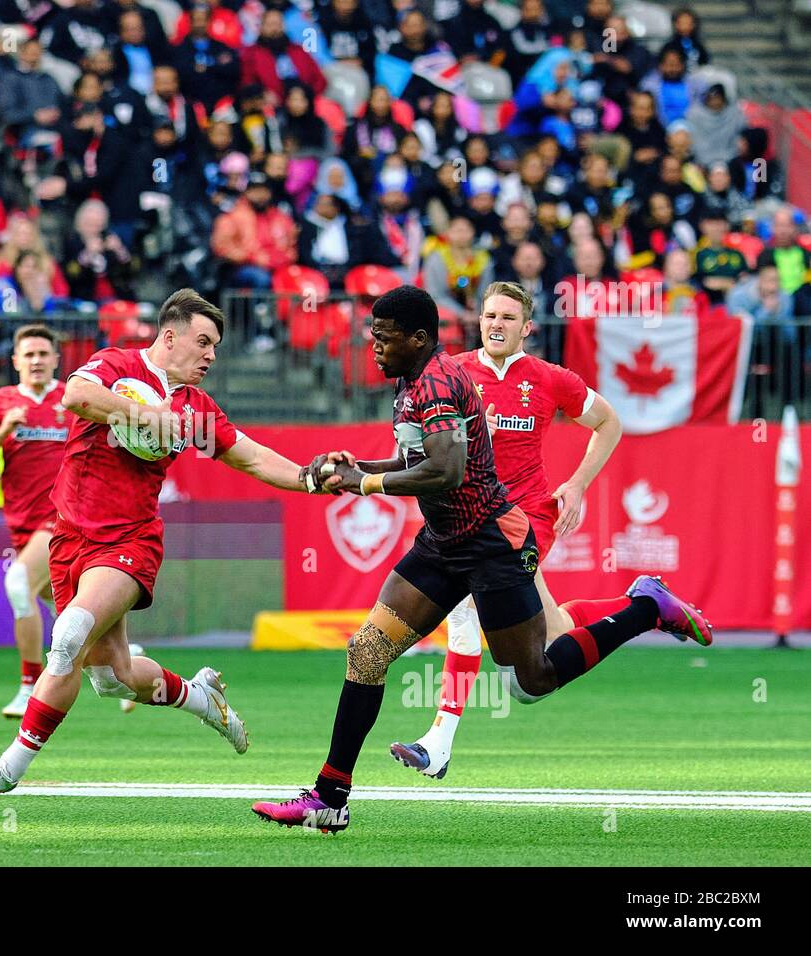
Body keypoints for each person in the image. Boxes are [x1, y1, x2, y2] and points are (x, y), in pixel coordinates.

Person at [251, 285, 713, 832]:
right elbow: (415, 458)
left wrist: (367, 482)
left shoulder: (443, 382)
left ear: (418, 339)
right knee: (368, 651)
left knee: (532, 679)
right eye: (372, 334)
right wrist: (358, 467)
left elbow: (444, 470)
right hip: (444, 542)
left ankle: (644, 609)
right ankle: (331, 796)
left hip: (494, 543)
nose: (371, 345)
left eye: (383, 337)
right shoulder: (416, 380)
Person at [0, 289, 326, 799]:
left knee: (67, 636)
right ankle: (200, 696)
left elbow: (252, 457)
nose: (212, 355)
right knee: (113, 676)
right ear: (169, 336)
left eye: (215, 346)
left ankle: (7, 770)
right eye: (204, 342)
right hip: (70, 536)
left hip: (130, 539)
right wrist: (144, 416)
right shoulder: (117, 363)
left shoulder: (195, 408)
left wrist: (309, 477)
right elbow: (76, 397)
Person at [386, 281, 667, 778]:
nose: (496, 324)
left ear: (527, 328)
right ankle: (645, 605)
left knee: (468, 608)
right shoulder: (451, 373)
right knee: (538, 652)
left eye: (508, 318)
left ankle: (439, 742)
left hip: (525, 517)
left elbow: (609, 423)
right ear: (479, 321)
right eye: (490, 315)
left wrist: (577, 484)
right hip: (470, 517)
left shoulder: (549, 378)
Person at [0, 325, 70, 717]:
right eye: (29, 355)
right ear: (15, 362)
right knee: (70, 613)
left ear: (56, 359)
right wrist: (5, 429)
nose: (37, 361)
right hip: (24, 523)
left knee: (19, 582)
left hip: (67, 517)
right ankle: (124, 660)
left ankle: (30, 686)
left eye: (44, 353)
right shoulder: (0, 402)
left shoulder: (73, 399)